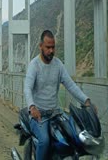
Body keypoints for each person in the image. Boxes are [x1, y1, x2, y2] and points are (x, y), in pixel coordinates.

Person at [24, 30, 94, 160]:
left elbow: (70, 85)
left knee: (75, 136)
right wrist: (32, 107)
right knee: (44, 141)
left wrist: (86, 101)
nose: (51, 50)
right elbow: (27, 88)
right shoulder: (34, 65)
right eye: (48, 47)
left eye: (53, 47)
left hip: (56, 113)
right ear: (41, 46)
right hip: (39, 115)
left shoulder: (58, 64)